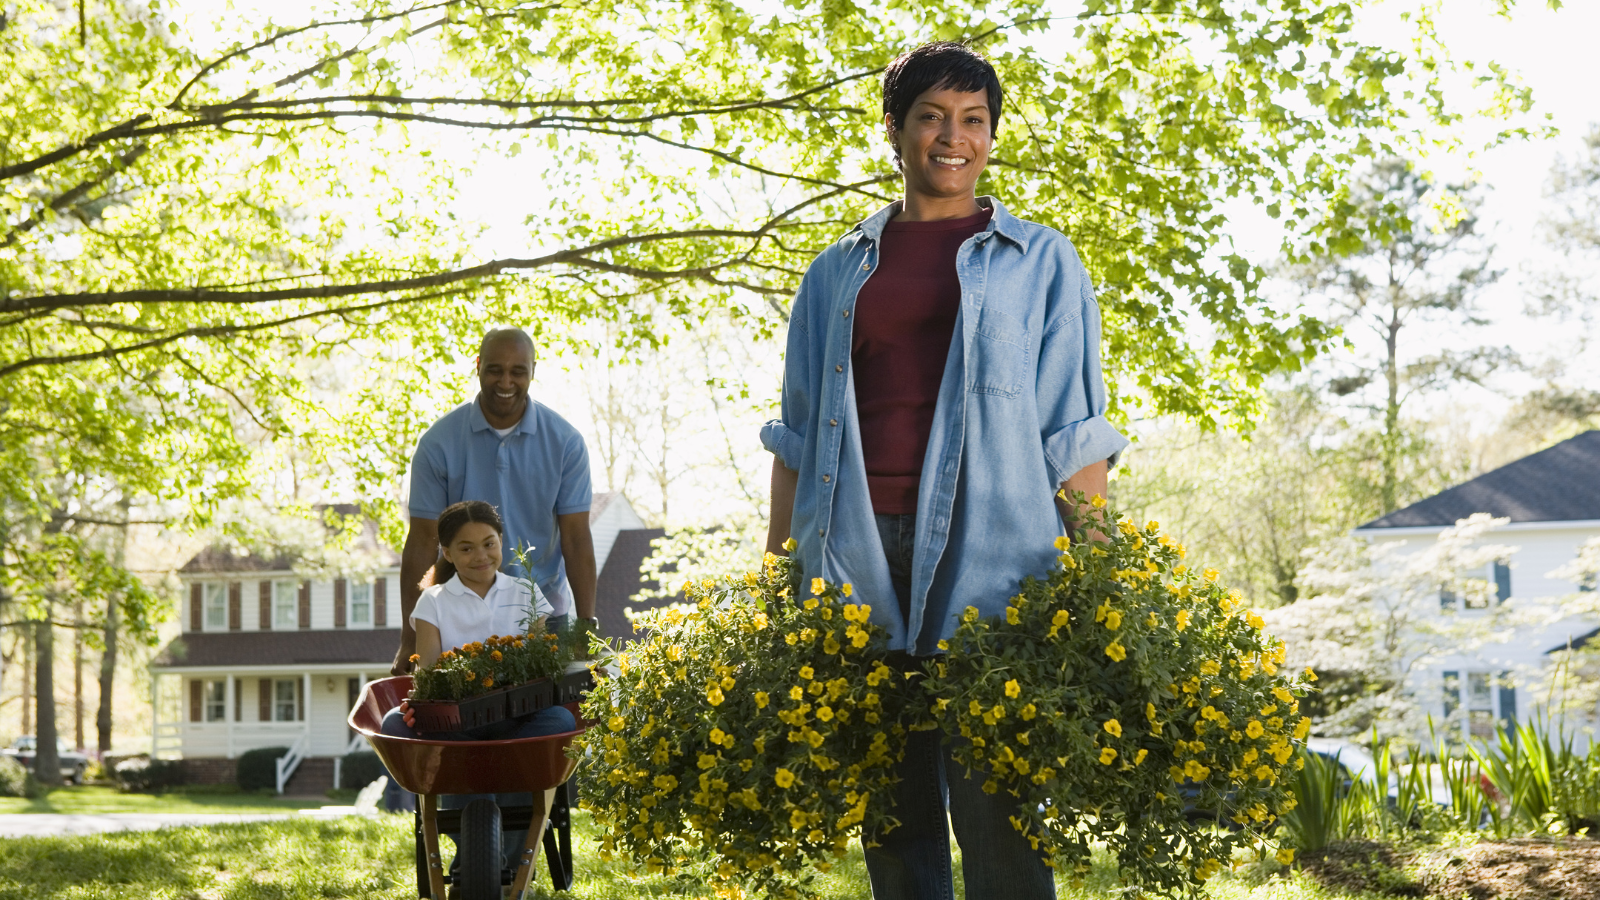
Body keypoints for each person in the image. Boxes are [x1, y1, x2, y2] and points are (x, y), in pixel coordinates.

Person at [760, 42, 1129, 900]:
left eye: (973, 121)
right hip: (855, 556)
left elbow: (1073, 430)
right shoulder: (832, 275)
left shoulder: (1041, 263)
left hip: (998, 554)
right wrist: (778, 571)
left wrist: (1102, 572)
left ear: (992, 136)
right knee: (893, 816)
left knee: (1000, 807)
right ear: (895, 130)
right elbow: (799, 436)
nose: (952, 138)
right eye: (931, 117)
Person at [380, 501, 575, 873]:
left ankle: (499, 857)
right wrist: (418, 703)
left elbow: (540, 665)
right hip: (458, 726)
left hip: (519, 718)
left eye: (489, 543)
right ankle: (482, 853)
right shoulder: (433, 602)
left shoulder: (525, 592)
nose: (480, 556)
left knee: (560, 724)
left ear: (501, 542)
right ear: (448, 553)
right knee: (393, 724)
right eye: (466, 548)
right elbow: (430, 672)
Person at [392, 327, 598, 676]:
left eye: (518, 371)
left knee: (551, 722)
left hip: (544, 614)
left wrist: (586, 628)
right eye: (494, 369)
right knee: (457, 722)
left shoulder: (565, 443)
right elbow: (422, 542)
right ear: (477, 366)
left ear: (533, 370)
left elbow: (576, 539)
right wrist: (409, 638)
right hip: (458, 615)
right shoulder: (438, 444)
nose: (506, 381)